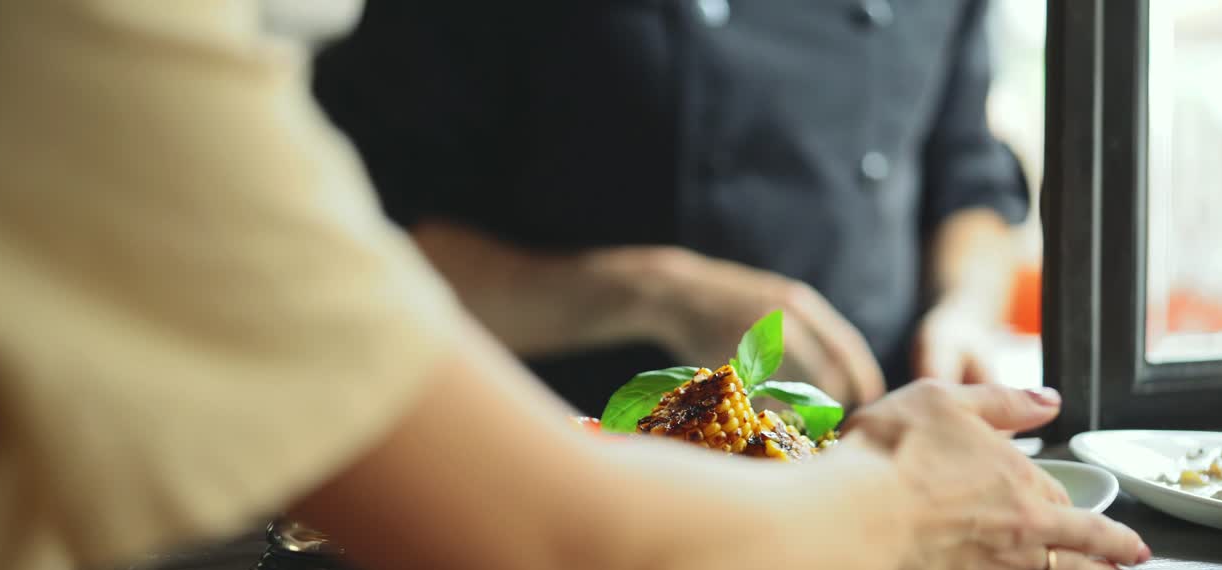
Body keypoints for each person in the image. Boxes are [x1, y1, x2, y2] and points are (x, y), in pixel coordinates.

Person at [0, 3, 1148, 570]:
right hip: (545, 506)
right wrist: (900, 502)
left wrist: (952, 324)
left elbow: (968, 169)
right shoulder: (73, 37)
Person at [312, 0, 1030, 416]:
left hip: (867, 458)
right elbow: (362, 256)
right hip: (566, 469)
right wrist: (658, 294)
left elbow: (969, 178)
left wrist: (962, 313)